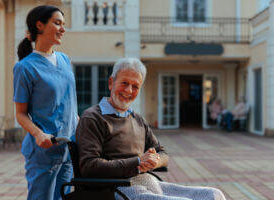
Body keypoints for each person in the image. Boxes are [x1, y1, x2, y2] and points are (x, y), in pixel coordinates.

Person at [76, 58, 226, 200]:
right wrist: (138, 162)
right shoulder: (93, 118)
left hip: (149, 182)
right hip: (116, 189)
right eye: (124, 83)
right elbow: (90, 167)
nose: (129, 90)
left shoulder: (137, 119)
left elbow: (163, 154)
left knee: (213, 194)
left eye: (135, 86)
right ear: (111, 83)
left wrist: (155, 161)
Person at [13, 5, 78, 200]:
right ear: (39, 26)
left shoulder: (65, 60)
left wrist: (77, 121)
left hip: (69, 148)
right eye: (57, 23)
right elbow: (20, 114)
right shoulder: (24, 67)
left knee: (64, 197)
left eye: (63, 24)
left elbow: (68, 101)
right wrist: (38, 134)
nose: (63, 29)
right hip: (43, 152)